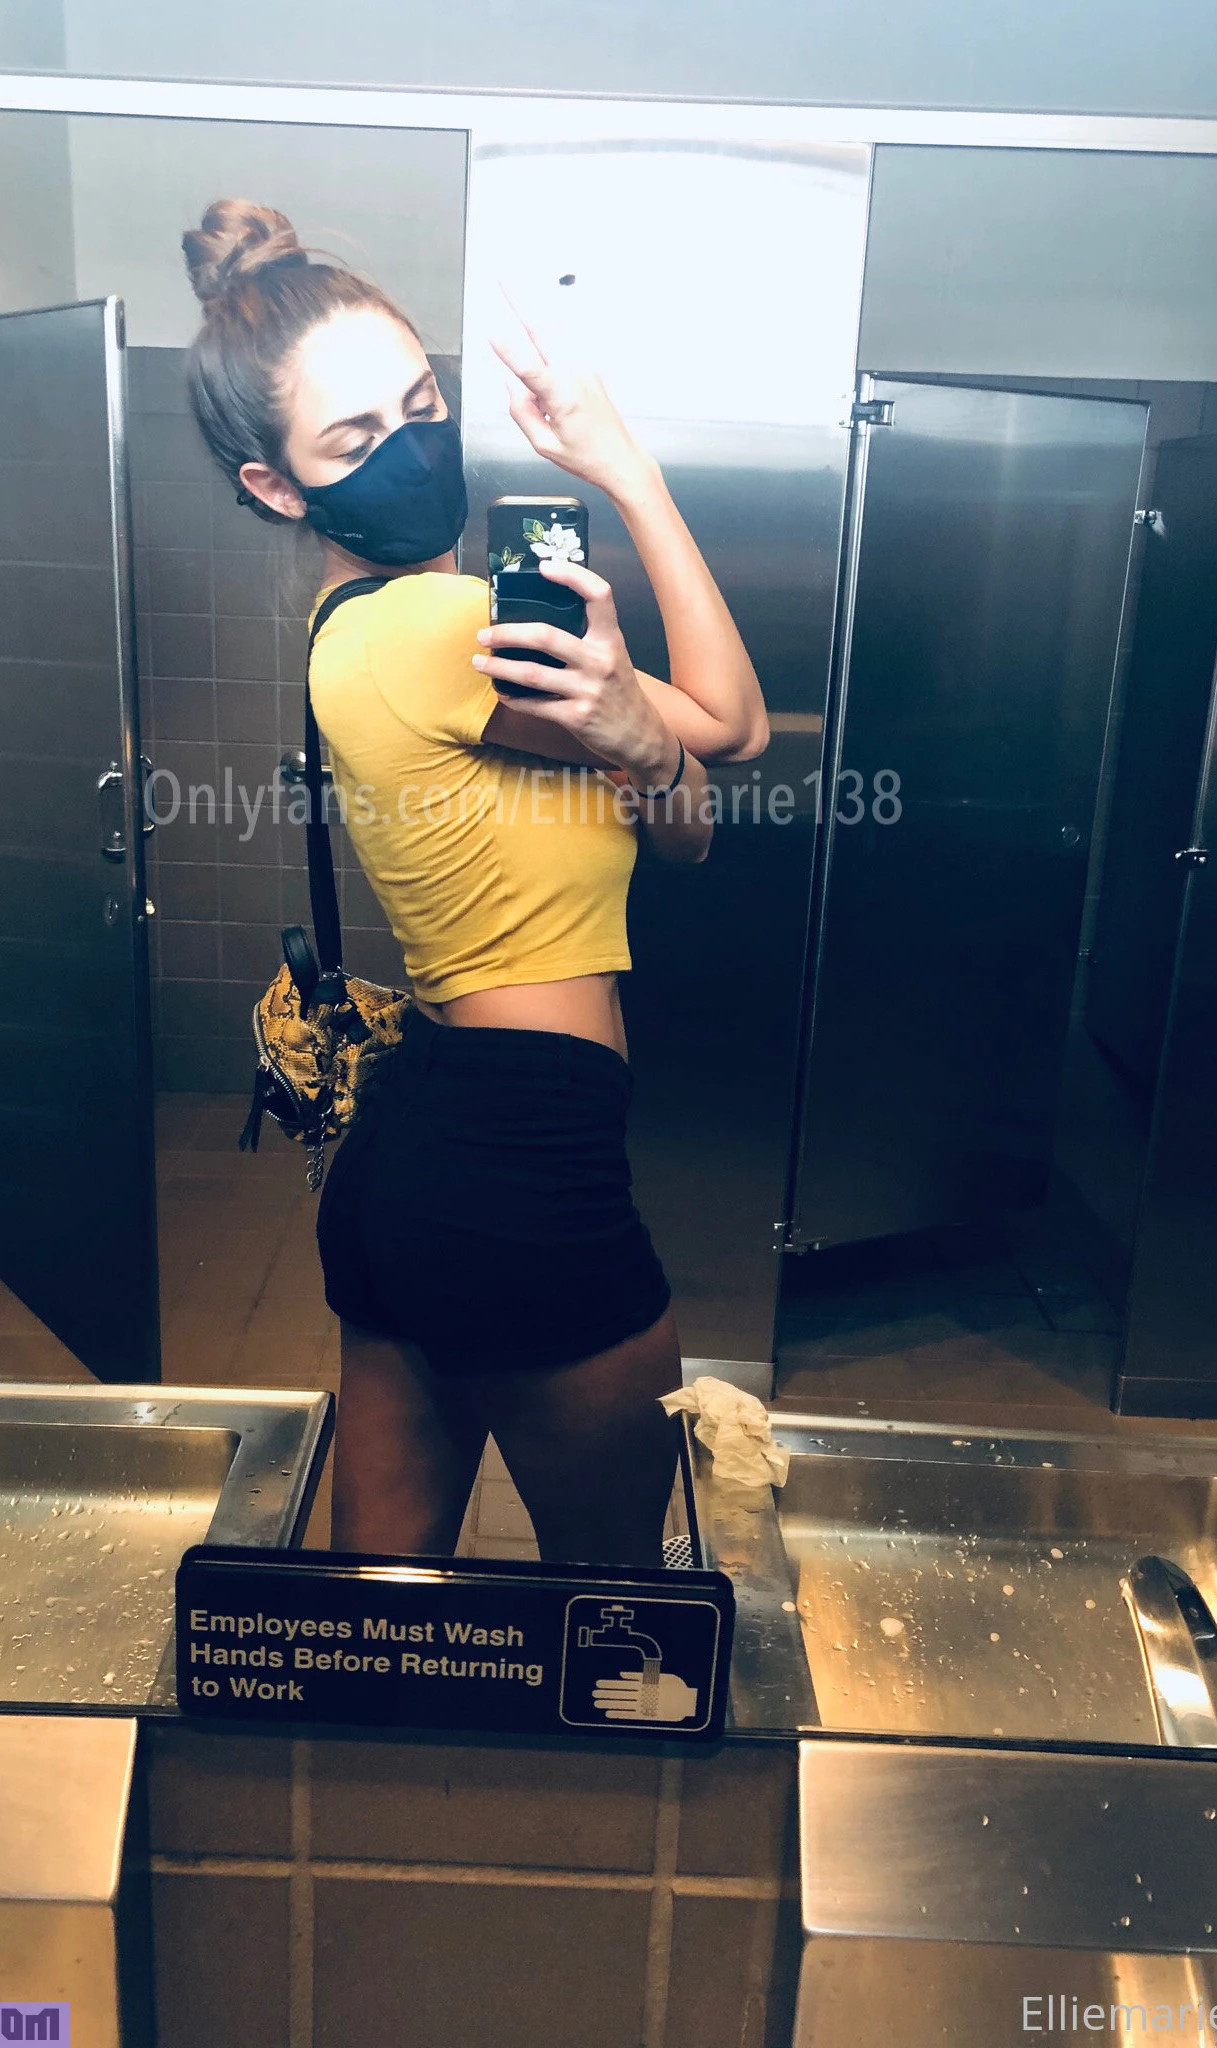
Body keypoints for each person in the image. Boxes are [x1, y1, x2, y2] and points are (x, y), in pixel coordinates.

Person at [183, 199, 768, 1565]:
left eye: (422, 403)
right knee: (611, 1612)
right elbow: (735, 727)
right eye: (354, 439)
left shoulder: (356, 629)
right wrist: (624, 465)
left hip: (422, 1145)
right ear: (278, 486)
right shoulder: (450, 628)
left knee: (380, 1603)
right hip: (527, 1162)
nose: (411, 446)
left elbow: (686, 825)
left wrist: (640, 746)